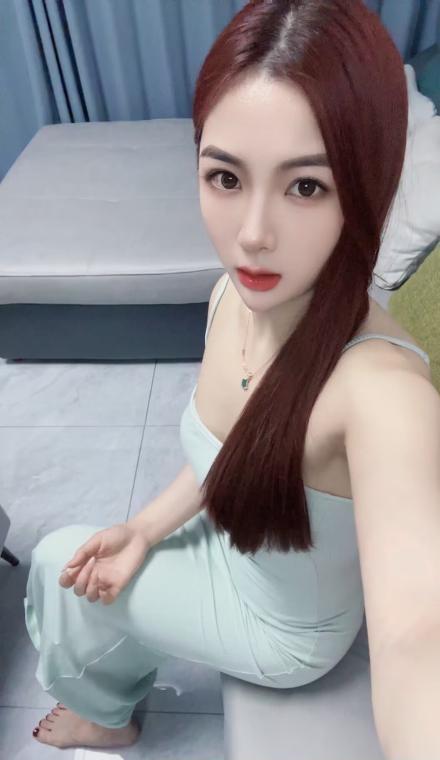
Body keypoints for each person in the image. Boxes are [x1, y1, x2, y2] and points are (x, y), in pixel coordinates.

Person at [24, 0, 431, 751]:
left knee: (55, 563)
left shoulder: (382, 392)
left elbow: (417, 638)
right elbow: (230, 450)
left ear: (367, 184)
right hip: (236, 539)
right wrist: (145, 528)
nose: (252, 235)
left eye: (306, 186)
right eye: (225, 177)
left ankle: (103, 717)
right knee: (95, 559)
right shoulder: (229, 298)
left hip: (285, 630)